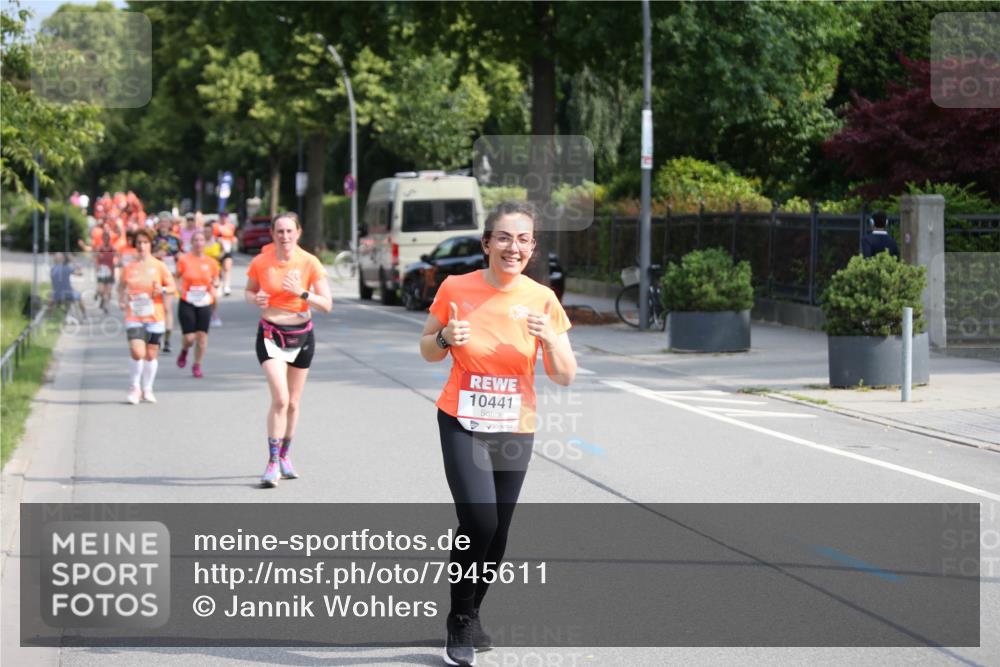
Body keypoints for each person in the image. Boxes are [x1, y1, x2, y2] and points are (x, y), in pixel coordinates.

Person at [418, 201, 577, 667]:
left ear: (532, 247)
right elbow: (428, 349)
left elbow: (565, 375)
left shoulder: (542, 299)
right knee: (480, 522)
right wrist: (446, 336)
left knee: (500, 532)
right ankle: (461, 619)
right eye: (504, 238)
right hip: (461, 419)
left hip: (514, 425)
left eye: (523, 239)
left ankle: (470, 614)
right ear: (487, 243)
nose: (514, 247)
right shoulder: (455, 287)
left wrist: (548, 339)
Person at [245, 212, 332, 488]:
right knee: (280, 399)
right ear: (272, 234)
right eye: (279, 231)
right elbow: (249, 292)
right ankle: (271, 463)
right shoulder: (261, 262)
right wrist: (255, 298)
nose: (284, 236)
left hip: (302, 336)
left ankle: (285, 455)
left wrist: (302, 293)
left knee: (294, 403)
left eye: (289, 231)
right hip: (271, 333)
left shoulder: (309, 262)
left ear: (298, 232)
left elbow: (326, 304)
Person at [118, 228, 176, 405]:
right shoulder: (129, 267)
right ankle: (135, 387)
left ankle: (148, 388)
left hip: (154, 315)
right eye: (139, 243)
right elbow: (121, 286)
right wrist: (121, 300)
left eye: (145, 242)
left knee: (151, 355)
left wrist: (163, 290)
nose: (142, 246)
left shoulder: (159, 266)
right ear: (135, 245)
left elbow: (172, 286)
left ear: (150, 244)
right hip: (134, 315)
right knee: (137, 352)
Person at [175, 230, 220, 378]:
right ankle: (184, 350)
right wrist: (179, 288)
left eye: (201, 240)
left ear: (205, 243)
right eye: (196, 240)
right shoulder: (184, 260)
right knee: (189, 338)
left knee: (202, 337)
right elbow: (176, 277)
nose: (199, 243)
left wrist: (215, 285)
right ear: (191, 243)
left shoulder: (211, 262)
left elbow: (216, 280)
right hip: (187, 300)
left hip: (204, 301)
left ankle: (197, 365)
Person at [153, 212, 182, 352]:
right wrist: (156, 255)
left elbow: (180, 256)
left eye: (166, 222)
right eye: (161, 222)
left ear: (170, 224)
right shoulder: (152, 239)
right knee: (155, 308)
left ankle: (167, 339)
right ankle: (156, 335)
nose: (163, 225)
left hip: (169, 275)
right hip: (154, 277)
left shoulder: (175, 240)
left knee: (167, 307)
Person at [49, 253, 86, 319]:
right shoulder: (67, 268)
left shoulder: (52, 269)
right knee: (80, 296)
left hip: (56, 296)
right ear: (63, 259)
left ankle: (49, 317)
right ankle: (84, 315)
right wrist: (74, 261)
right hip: (68, 295)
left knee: (51, 297)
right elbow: (80, 274)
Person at [212, 211, 237, 296]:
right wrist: (218, 240)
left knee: (227, 267)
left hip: (227, 249)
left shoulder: (231, 226)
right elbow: (212, 236)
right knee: (217, 269)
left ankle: (226, 286)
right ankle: (219, 285)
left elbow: (233, 236)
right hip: (218, 249)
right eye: (222, 216)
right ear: (219, 217)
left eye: (225, 217)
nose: (223, 218)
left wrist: (234, 240)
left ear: (227, 218)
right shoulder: (215, 226)